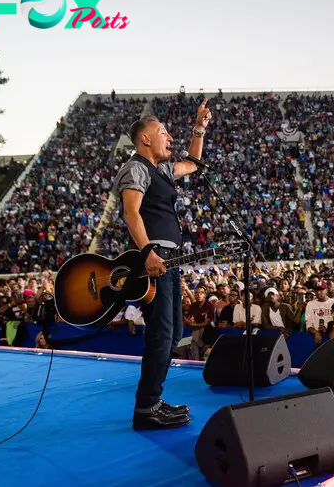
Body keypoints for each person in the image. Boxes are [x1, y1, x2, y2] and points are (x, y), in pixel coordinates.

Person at [113, 99, 212, 430]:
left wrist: (200, 127)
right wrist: (147, 253)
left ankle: (152, 400)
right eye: (163, 132)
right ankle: (146, 407)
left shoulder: (162, 170)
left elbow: (194, 164)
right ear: (145, 138)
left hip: (170, 261)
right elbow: (131, 213)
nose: (170, 137)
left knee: (174, 334)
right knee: (162, 333)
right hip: (153, 262)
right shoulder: (136, 168)